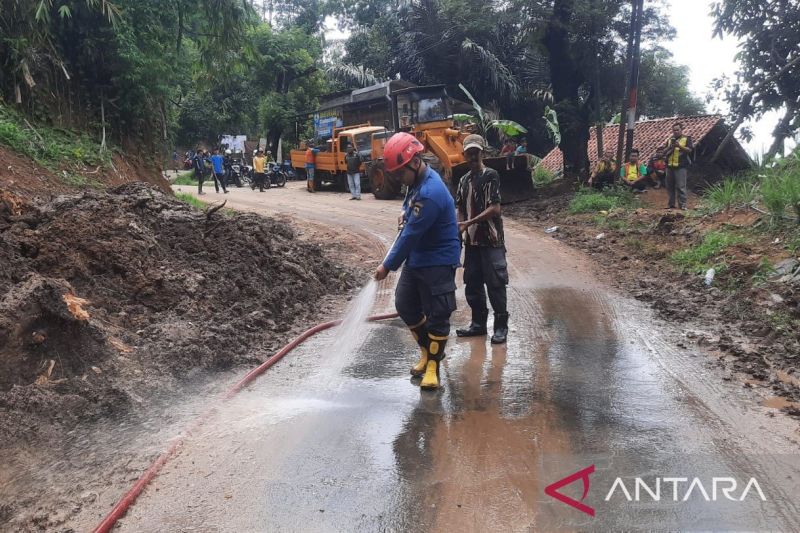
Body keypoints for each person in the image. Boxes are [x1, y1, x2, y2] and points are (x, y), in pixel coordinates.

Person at [374, 132, 460, 391]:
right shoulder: (416, 182)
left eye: (400, 174)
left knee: (438, 313)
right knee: (405, 304)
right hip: (418, 257)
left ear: (414, 162)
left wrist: (387, 266)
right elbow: (409, 205)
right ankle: (427, 352)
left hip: (438, 259)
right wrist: (403, 211)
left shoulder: (432, 192)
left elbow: (409, 236)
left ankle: (433, 366)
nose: (399, 180)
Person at [454, 134, 510, 345]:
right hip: (472, 242)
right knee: (473, 283)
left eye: (476, 152)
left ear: (482, 153)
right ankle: (478, 325)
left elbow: (495, 208)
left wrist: (469, 223)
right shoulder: (463, 180)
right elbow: (459, 206)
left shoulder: (491, 175)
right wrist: (461, 226)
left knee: (496, 284)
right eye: (469, 153)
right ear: (464, 155)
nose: (473, 156)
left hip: (491, 240)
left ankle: (500, 327)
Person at [662, 122, 694, 210]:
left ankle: (682, 205)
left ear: (681, 130)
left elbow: (689, 150)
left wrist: (679, 146)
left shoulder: (687, 138)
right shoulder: (669, 140)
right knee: (670, 186)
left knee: (681, 186)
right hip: (669, 166)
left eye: (677, 130)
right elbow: (663, 152)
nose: (675, 131)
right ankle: (671, 205)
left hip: (681, 166)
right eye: (674, 130)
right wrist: (670, 147)